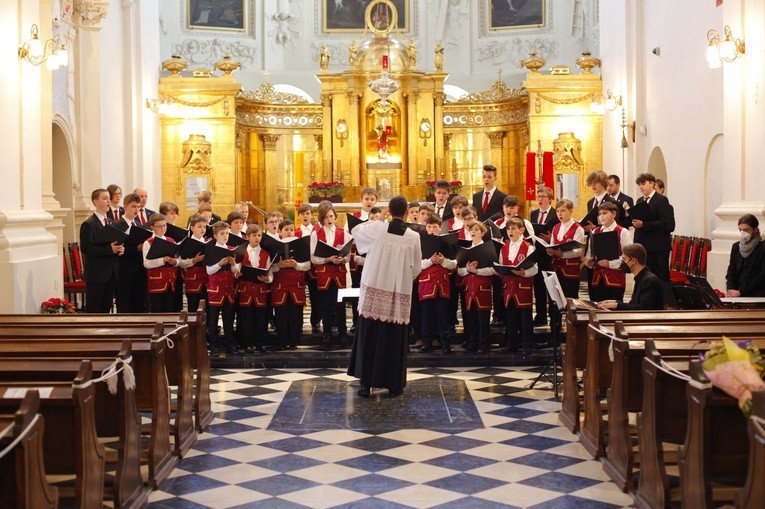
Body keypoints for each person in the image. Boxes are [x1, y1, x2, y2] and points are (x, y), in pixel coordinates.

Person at [348, 196, 422, 397]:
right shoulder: (413, 237)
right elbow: (416, 268)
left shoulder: (378, 229)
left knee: (370, 334)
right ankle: (394, 385)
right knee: (393, 337)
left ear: (389, 210)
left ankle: (365, 384)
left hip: (374, 287)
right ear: (407, 212)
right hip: (398, 293)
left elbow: (355, 231)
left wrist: (378, 219)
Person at [310, 201, 351, 349]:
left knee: (340, 305)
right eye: (326, 217)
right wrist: (328, 259)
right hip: (324, 273)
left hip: (339, 273)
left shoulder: (343, 233)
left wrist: (342, 259)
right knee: (325, 305)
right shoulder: (316, 234)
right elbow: (313, 257)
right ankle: (326, 335)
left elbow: (348, 256)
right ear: (321, 218)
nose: (329, 219)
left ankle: (343, 334)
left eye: (331, 216)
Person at [497, 217, 537, 356]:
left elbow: (535, 268)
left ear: (521, 230)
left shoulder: (528, 247)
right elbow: (502, 264)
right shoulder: (504, 247)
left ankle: (527, 344)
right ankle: (512, 343)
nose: (510, 231)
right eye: (508, 229)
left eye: (513, 228)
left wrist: (524, 272)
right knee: (511, 317)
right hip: (509, 287)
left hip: (523, 287)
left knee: (525, 318)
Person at [417, 213, 457, 354]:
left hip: (442, 284)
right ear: (425, 228)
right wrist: (430, 261)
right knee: (427, 316)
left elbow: (453, 264)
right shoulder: (420, 242)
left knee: (443, 316)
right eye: (429, 227)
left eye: (435, 227)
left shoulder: (446, 243)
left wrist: (443, 261)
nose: (432, 229)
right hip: (426, 284)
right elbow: (416, 264)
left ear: (440, 228)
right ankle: (427, 343)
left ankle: (445, 344)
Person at [80, 188, 124, 313]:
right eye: (104, 198)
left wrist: (120, 249)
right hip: (96, 274)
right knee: (95, 308)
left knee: (106, 307)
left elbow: (115, 242)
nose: (108, 201)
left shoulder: (111, 223)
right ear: (95, 202)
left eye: (109, 198)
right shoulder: (89, 224)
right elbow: (86, 248)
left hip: (111, 273)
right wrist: (109, 249)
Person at [272, 219, 311, 350]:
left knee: (296, 313)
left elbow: (307, 265)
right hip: (280, 284)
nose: (289, 232)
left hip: (296, 283)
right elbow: (268, 267)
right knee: (281, 313)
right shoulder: (274, 245)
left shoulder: (301, 244)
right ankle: (282, 340)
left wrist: (296, 265)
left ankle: (294, 340)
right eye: (286, 230)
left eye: (291, 230)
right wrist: (278, 265)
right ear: (279, 231)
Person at [234, 224, 272, 353]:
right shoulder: (241, 251)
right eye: (254, 235)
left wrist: (268, 279)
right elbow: (237, 269)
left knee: (260, 318)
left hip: (260, 289)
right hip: (246, 289)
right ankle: (247, 343)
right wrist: (237, 273)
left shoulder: (266, 253)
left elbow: (270, 272)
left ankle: (260, 343)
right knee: (246, 318)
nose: (257, 238)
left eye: (259, 235)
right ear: (248, 237)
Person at [630, 173, 674, 282]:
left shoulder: (661, 200)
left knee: (658, 275)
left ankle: (661, 298)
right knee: (643, 275)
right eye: (639, 184)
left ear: (652, 183)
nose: (641, 187)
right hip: (643, 244)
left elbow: (665, 222)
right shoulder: (640, 201)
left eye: (643, 183)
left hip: (657, 246)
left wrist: (644, 224)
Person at [458, 222, 494, 353]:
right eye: (471, 229)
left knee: (483, 318)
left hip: (482, 287)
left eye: (476, 229)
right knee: (471, 318)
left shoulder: (488, 249)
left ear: (482, 233)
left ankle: (484, 343)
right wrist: (468, 270)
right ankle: (473, 342)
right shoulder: (466, 250)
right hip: (469, 288)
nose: (472, 231)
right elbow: (459, 271)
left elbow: (493, 270)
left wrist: (477, 271)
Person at [584, 202, 632, 302]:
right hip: (597, 279)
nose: (601, 217)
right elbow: (589, 253)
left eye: (605, 213)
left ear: (613, 214)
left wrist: (609, 263)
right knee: (598, 308)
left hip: (615, 278)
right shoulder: (594, 232)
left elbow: (628, 257)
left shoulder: (623, 232)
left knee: (613, 310)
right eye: (600, 214)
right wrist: (589, 262)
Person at [347, 187, 379, 331]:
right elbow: (347, 238)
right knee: (357, 289)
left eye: (372, 199)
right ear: (361, 200)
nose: (369, 202)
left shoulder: (379, 217)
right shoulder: (354, 217)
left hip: (374, 260)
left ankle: (372, 320)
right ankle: (356, 320)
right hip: (357, 261)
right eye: (366, 199)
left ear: (376, 201)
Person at [597, 244, 664, 310]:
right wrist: (614, 302)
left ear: (633, 261)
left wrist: (617, 306)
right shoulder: (641, 278)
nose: (622, 263)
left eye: (624, 259)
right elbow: (634, 304)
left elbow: (643, 308)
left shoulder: (649, 280)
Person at [206, 221, 238, 357]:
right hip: (215, 291)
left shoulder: (232, 249)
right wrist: (219, 264)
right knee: (213, 320)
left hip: (228, 290)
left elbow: (236, 272)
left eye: (227, 233)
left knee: (228, 319)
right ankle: (214, 346)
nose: (225, 236)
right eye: (222, 234)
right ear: (215, 236)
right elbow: (209, 271)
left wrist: (233, 264)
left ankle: (229, 344)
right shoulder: (211, 249)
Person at [530, 186, 559, 325]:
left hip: (551, 255)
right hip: (537, 254)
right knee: (538, 287)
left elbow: (560, 234)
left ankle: (553, 316)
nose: (540, 199)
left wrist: (551, 238)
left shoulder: (556, 213)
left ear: (550, 199)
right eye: (538, 196)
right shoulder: (533, 213)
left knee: (551, 288)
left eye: (543, 196)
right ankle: (540, 316)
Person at [115, 192, 148, 313]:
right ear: (125, 207)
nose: (137, 209)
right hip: (125, 270)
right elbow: (118, 249)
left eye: (138, 207)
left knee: (139, 304)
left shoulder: (138, 225)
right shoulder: (117, 225)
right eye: (134, 206)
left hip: (139, 269)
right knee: (125, 305)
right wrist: (136, 249)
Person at [547, 199, 584, 299]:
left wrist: (562, 254)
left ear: (571, 211)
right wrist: (550, 251)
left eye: (563, 211)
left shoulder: (577, 228)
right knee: (555, 300)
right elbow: (552, 245)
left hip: (570, 271)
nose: (560, 214)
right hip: (556, 269)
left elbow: (578, 251)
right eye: (558, 211)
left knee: (569, 299)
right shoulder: (556, 228)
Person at [143, 213, 180, 313]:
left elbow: (177, 259)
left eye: (164, 225)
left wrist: (175, 261)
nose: (162, 228)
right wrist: (162, 260)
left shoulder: (170, 240)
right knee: (157, 308)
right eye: (159, 226)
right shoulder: (148, 242)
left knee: (169, 308)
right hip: (156, 281)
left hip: (170, 281)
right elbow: (146, 263)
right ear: (152, 228)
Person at [725, 214, 765, 297]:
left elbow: (761, 276)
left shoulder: (762, 248)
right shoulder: (736, 247)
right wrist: (731, 289)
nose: (743, 233)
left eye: (746, 230)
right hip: (736, 292)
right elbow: (731, 271)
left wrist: (741, 292)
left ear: (755, 230)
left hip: (756, 293)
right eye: (740, 230)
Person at [182, 214, 209, 314]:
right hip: (193, 280)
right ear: (192, 228)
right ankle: (193, 329)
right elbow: (181, 263)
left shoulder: (208, 243)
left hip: (206, 280)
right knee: (193, 307)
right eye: (199, 226)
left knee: (206, 308)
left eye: (204, 227)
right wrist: (194, 260)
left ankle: (205, 328)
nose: (202, 229)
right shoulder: (186, 243)